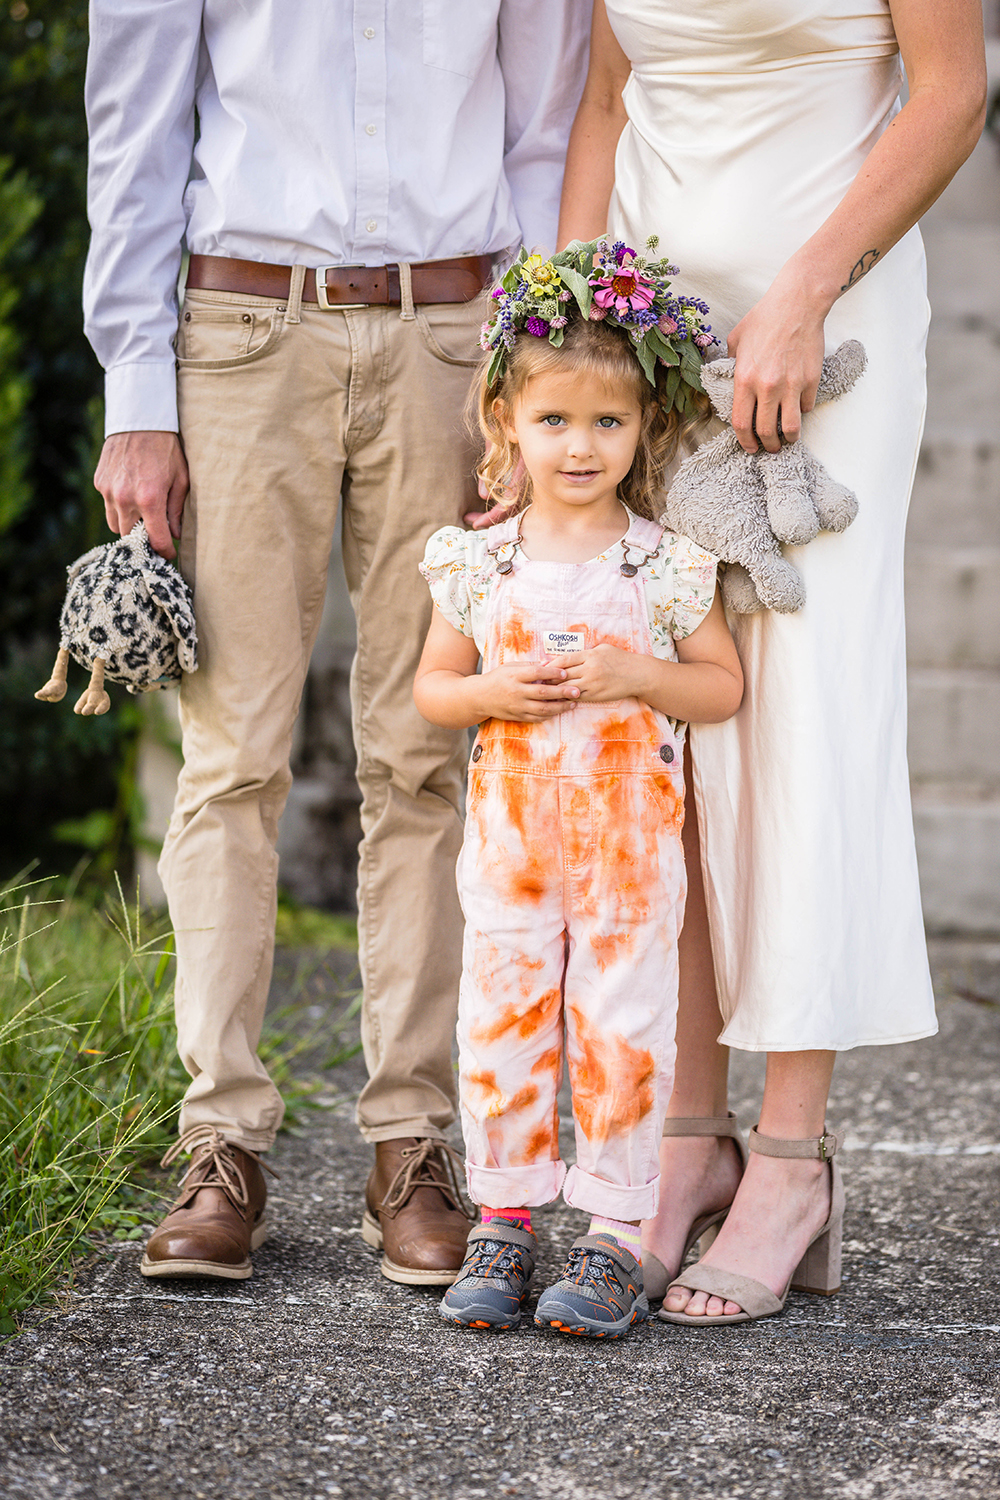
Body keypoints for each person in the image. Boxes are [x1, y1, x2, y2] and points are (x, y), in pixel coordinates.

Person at [82, 1, 591, 1286]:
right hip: (241, 338)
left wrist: (527, 381)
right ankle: (220, 1144)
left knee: (426, 754)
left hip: (450, 345)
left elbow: (540, 139)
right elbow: (133, 134)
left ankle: (411, 1144)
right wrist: (136, 395)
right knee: (231, 759)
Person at [558, 0, 987, 1323]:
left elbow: (952, 92)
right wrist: (569, 333)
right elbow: (606, 104)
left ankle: (790, 1160)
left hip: (828, 328)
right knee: (670, 726)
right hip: (656, 350)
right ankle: (690, 1143)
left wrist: (803, 294)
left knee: (802, 711)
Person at [413, 241, 744, 1338]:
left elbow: (718, 687)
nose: (581, 445)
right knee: (500, 1024)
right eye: (554, 421)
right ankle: (504, 1216)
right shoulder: (474, 562)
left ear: (644, 427)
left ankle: (611, 1237)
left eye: (607, 423)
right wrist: (495, 687)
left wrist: (636, 673)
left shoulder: (663, 565)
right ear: (506, 422)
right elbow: (433, 691)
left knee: (620, 1030)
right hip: (511, 854)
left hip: (626, 862)